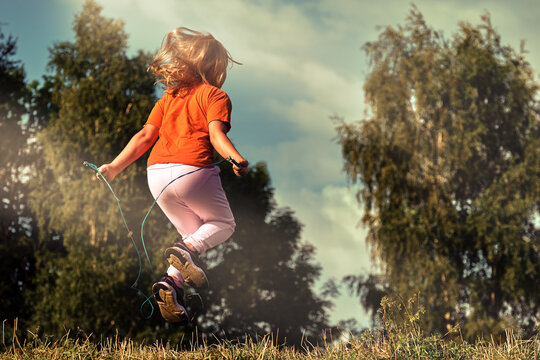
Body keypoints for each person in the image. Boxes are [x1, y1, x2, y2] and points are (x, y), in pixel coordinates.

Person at [95, 27, 248, 324]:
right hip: (193, 172)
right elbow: (216, 135)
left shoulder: (167, 99)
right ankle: (186, 250)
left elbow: (143, 136)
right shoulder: (214, 95)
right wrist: (235, 158)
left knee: (191, 235)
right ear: (213, 66)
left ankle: (171, 284)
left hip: (157, 177)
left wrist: (113, 167)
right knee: (223, 224)